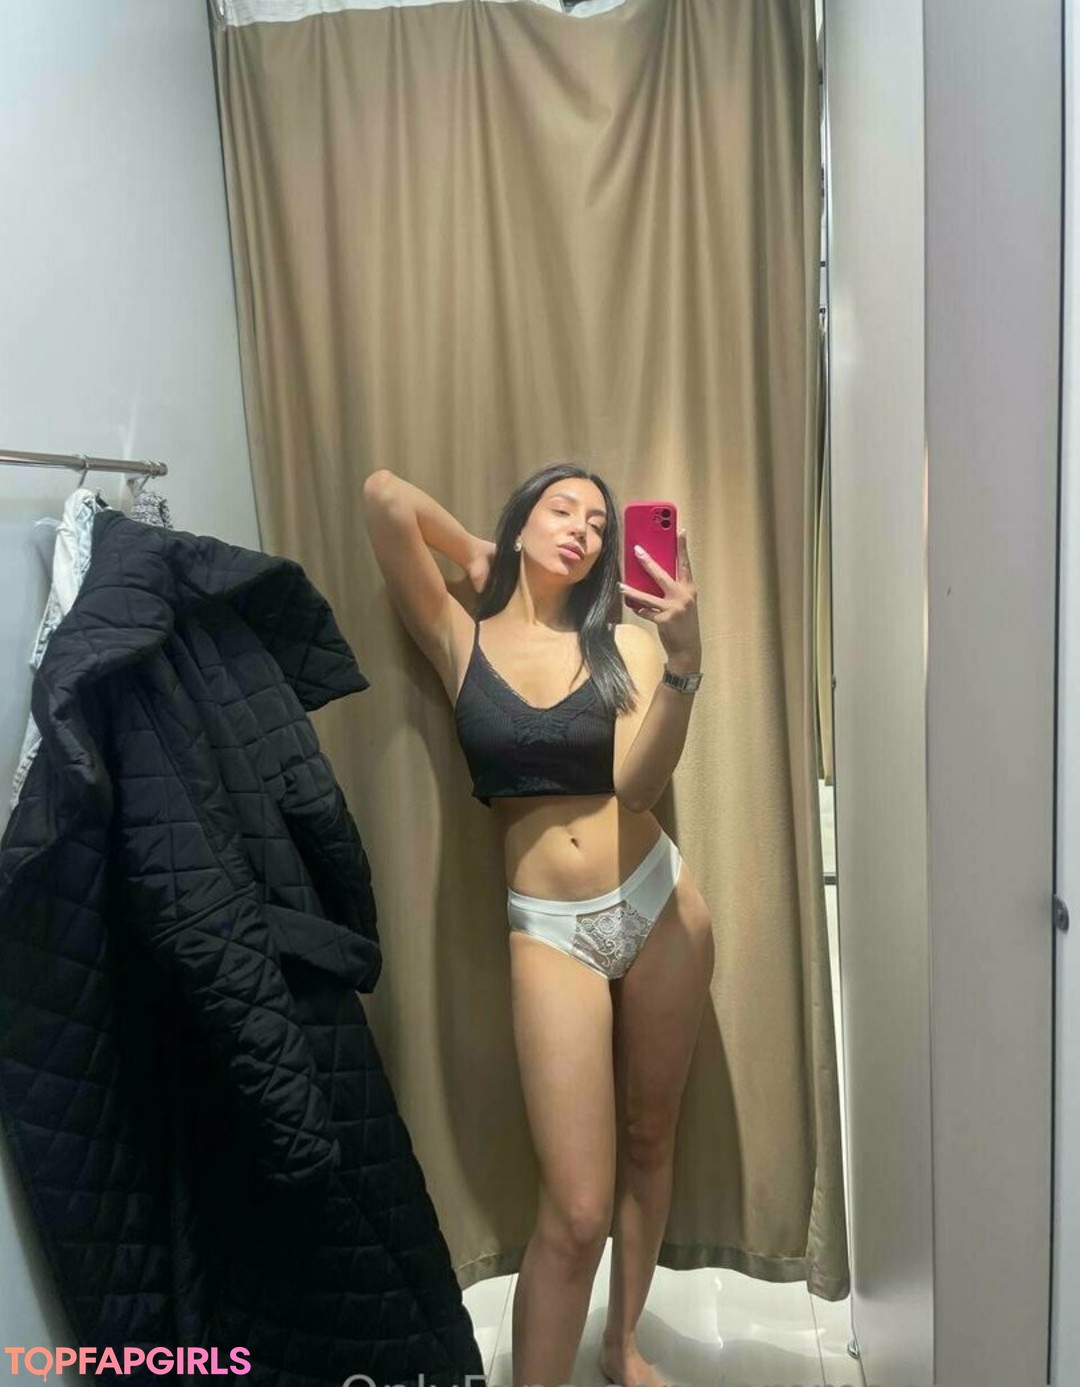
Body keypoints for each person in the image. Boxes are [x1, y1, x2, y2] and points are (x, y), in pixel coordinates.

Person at [362, 463, 715, 1387]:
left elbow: (637, 787)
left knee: (651, 1139)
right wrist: (470, 551)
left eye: (598, 523)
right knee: (576, 1208)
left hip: (658, 904)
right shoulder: (458, 636)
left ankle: (621, 1345)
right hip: (550, 930)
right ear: (521, 522)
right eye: (562, 508)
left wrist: (682, 664)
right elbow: (384, 496)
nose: (583, 529)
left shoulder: (625, 643)